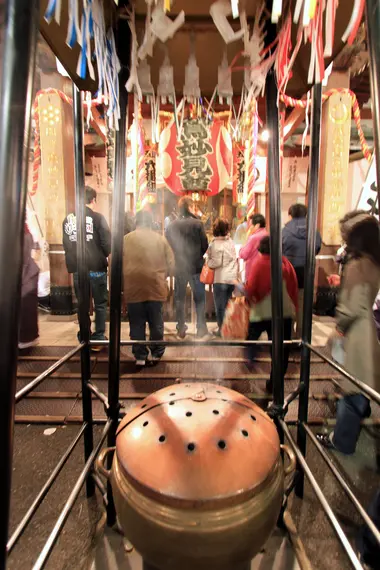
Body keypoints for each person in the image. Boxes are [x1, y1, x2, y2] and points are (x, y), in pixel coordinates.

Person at [317, 215, 380, 454]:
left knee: (352, 386)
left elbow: (351, 307)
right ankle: (362, 412)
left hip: (357, 331)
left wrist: (339, 327)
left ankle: (342, 440)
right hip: (368, 326)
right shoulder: (374, 261)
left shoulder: (356, 264)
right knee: (362, 380)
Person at [245, 236, 298, 393]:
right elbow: (293, 289)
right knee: (280, 350)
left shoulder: (260, 263)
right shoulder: (285, 264)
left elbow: (251, 287)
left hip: (262, 311)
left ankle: (251, 359)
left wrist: (247, 297)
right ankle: (275, 383)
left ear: (261, 248)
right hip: (284, 312)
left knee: (251, 337)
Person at [123, 210, 174, 367]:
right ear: (151, 223)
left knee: (137, 323)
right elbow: (172, 264)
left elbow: (115, 263)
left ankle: (140, 356)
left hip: (133, 287)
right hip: (155, 286)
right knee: (156, 322)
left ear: (136, 222)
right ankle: (156, 354)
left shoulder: (125, 240)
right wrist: (162, 275)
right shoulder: (160, 239)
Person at [63, 186, 111, 347]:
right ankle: (98, 336)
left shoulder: (68, 219)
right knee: (99, 303)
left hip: (78, 269)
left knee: (82, 302)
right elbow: (107, 245)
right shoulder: (98, 218)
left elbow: (67, 245)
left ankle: (84, 334)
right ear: (93, 200)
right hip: (97, 267)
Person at [166, 196, 209, 339]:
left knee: (180, 299)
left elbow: (170, 245)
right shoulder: (198, 224)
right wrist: (197, 256)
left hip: (180, 266)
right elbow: (205, 245)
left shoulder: (172, 226)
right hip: (196, 266)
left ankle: (181, 328)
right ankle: (201, 328)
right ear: (190, 207)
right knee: (200, 299)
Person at [282, 203, 322, 337]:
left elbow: (279, 250)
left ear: (290, 214)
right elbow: (316, 248)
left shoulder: (285, 231)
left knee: (289, 303)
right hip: (307, 271)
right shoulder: (313, 230)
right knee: (304, 305)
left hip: (289, 271)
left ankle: (290, 336)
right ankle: (302, 337)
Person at [206, 219, 238, 336]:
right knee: (228, 306)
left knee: (220, 307)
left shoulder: (215, 244)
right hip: (230, 279)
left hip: (220, 279)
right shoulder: (231, 242)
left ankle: (222, 331)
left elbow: (216, 262)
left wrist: (208, 262)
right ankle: (228, 329)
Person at [19, 223, 40, 349]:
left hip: (25, 275)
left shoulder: (22, 232)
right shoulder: (26, 230)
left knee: (25, 306)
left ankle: (26, 338)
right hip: (28, 273)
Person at [239, 213, 268, 281]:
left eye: (251, 224)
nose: (250, 227)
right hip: (265, 271)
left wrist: (241, 248)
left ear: (257, 225)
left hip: (253, 271)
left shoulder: (253, 238)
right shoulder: (267, 234)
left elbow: (243, 254)